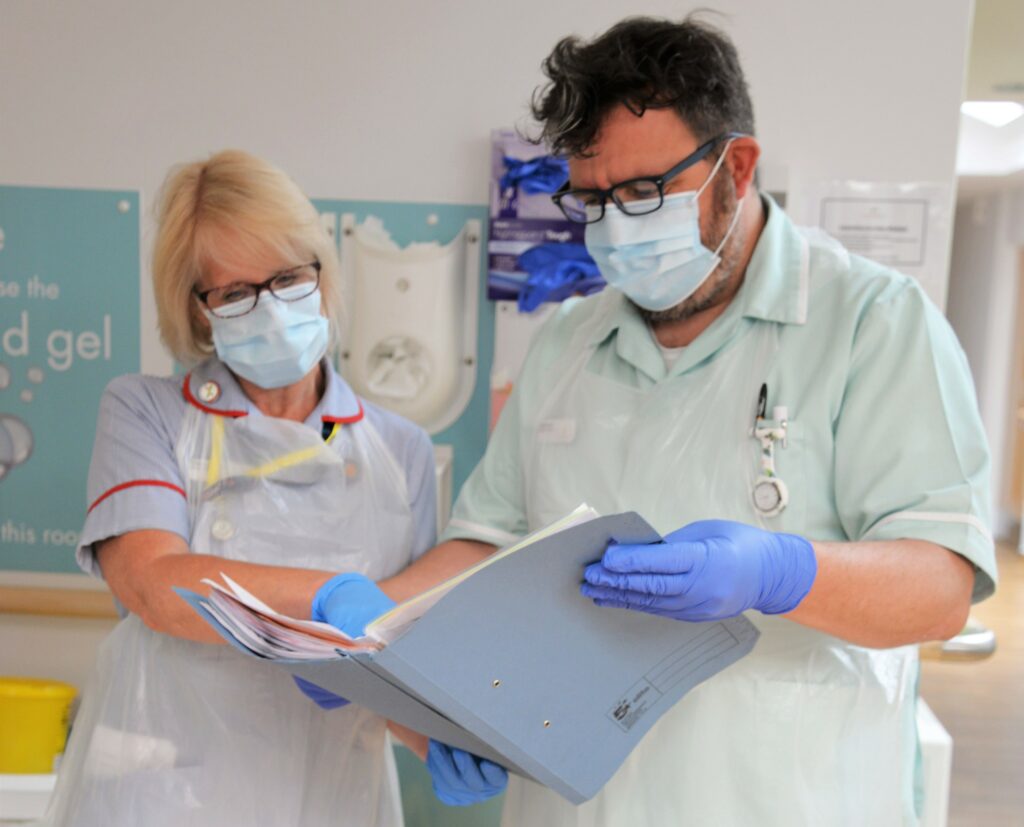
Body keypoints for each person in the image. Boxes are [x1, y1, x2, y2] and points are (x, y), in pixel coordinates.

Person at [432, 15, 999, 827]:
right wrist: (388, 648)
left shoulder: (873, 322)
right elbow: (485, 540)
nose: (617, 228)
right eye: (592, 200)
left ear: (736, 165)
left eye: (642, 192)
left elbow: (942, 589)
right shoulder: (567, 338)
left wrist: (783, 572)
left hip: (788, 798)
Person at [43, 149, 504, 827]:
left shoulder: (397, 448)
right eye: (234, 292)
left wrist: (434, 740)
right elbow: (150, 581)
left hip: (332, 792)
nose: (269, 308)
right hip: (169, 795)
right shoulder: (147, 413)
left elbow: (390, 656)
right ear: (199, 311)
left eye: (287, 277)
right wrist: (323, 596)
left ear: (321, 275)